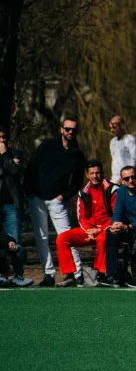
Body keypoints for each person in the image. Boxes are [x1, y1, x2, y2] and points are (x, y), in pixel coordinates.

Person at [24, 118, 86, 287]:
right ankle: (49, 274)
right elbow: (31, 167)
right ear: (61, 130)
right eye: (67, 129)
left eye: (73, 129)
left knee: (67, 236)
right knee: (41, 237)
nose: (70, 132)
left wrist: (63, 196)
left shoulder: (77, 155)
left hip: (57, 201)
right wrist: (29, 191)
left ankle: (77, 273)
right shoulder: (47, 146)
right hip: (37, 198)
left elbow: (77, 183)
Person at [55, 160, 117, 287]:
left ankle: (101, 274)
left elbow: (116, 215)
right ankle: (70, 275)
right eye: (92, 173)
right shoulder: (83, 192)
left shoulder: (112, 189)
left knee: (102, 239)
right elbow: (81, 217)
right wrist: (89, 230)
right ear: (87, 175)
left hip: (107, 229)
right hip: (89, 230)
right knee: (62, 238)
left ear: (103, 173)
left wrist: (99, 230)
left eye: (98, 173)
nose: (95, 176)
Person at [0, 126, 31, 286]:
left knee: (15, 242)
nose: (2, 140)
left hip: (12, 204)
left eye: (4, 137)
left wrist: (4, 155)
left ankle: (18, 275)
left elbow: (15, 171)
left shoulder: (15, 154)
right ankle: (2, 274)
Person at [109, 115, 136, 184]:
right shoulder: (112, 142)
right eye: (111, 128)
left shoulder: (130, 139)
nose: (112, 130)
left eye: (114, 127)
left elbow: (135, 160)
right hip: (114, 180)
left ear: (122, 126)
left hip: (127, 179)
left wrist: (127, 176)